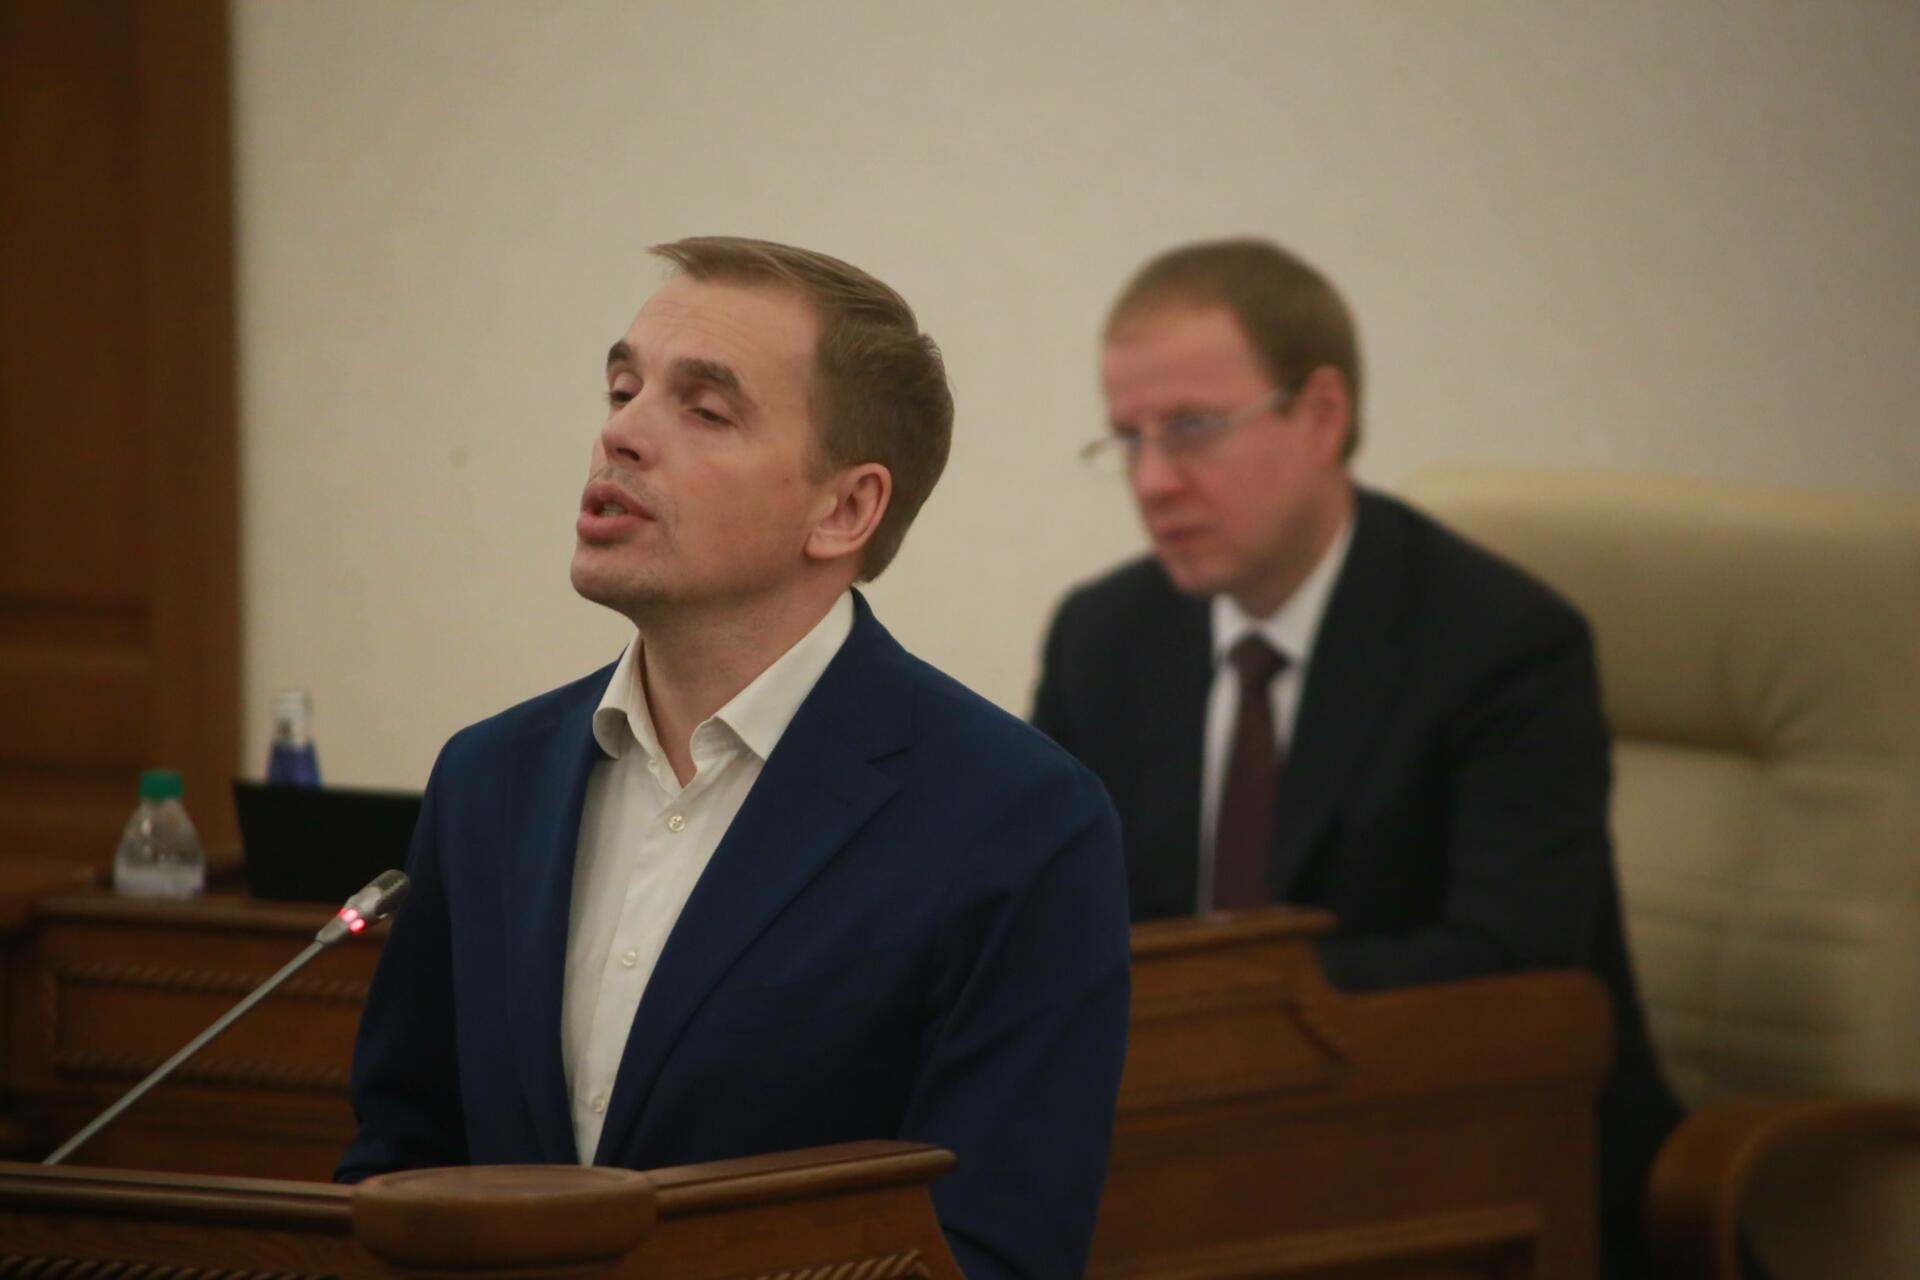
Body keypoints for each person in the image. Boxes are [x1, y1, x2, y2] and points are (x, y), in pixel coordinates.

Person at [340, 236, 1132, 1280]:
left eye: (705, 410)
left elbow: (993, 1248)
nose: (621, 433)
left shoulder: (1018, 820)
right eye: (622, 389)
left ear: (844, 509)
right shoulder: (488, 780)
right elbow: (402, 1164)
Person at [1030, 238, 1679, 1279]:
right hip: (1192, 1171)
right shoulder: (1104, 637)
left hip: (1470, 1169)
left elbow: (1511, 963)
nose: (1152, 481)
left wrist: (1203, 1019)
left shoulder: (1502, 644)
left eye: (1191, 428)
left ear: (1322, 414)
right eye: (1127, 439)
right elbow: (1047, 926)